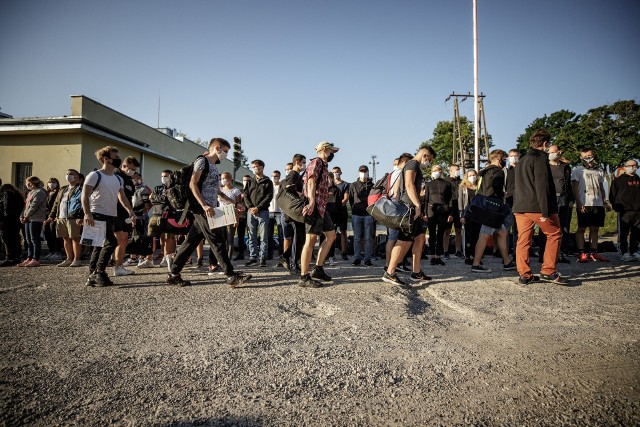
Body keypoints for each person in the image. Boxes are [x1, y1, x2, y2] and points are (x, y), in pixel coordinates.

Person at [166, 138, 251, 287]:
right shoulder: (202, 162)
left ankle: (174, 273)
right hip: (203, 208)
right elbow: (193, 184)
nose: (225, 154)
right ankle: (231, 276)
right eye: (225, 151)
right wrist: (204, 205)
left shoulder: (213, 166)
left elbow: (218, 191)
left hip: (209, 207)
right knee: (217, 240)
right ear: (217, 148)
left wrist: (235, 203)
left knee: (190, 242)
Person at [513, 130, 567, 285]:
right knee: (555, 234)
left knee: (523, 240)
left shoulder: (522, 159)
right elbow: (542, 186)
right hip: (536, 206)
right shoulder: (540, 158)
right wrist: (545, 211)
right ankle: (548, 271)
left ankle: (525, 275)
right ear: (545, 144)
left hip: (520, 206)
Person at [83, 146, 136, 287]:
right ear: (105, 159)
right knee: (111, 242)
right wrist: (87, 213)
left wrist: (130, 210)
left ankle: (92, 275)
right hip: (97, 214)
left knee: (99, 246)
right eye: (115, 157)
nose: (118, 159)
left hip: (111, 215)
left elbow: (122, 197)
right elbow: (85, 195)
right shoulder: (95, 175)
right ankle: (99, 272)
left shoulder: (118, 179)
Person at [382, 146, 435, 287]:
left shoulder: (415, 165)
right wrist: (417, 205)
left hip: (413, 208)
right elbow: (409, 185)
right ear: (424, 154)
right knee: (404, 240)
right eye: (428, 159)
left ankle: (416, 272)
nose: (428, 162)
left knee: (419, 238)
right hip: (409, 207)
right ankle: (390, 272)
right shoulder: (412, 164)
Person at [298, 141, 339, 287]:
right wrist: (311, 202)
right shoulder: (316, 162)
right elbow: (311, 183)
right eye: (331, 151)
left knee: (331, 235)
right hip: (314, 206)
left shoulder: (324, 164)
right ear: (324, 149)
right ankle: (303, 277)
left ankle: (318, 269)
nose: (332, 154)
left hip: (322, 207)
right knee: (310, 240)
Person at [470, 149, 517, 273]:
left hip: (484, 206)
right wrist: (503, 194)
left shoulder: (483, 172)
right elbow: (496, 186)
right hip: (492, 208)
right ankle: (476, 264)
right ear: (498, 158)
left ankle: (507, 262)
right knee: (484, 235)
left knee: (502, 233)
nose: (505, 161)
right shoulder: (498, 172)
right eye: (504, 158)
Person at [571, 148, 610, 262]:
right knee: (582, 228)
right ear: (581, 157)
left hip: (597, 203)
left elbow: (602, 187)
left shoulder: (599, 170)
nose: (588, 157)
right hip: (584, 202)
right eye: (585, 156)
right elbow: (574, 188)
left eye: (590, 155)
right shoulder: (577, 170)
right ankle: (581, 252)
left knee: (595, 228)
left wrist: (604, 201)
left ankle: (594, 252)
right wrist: (578, 203)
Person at [539, 145, 573, 264]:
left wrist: (571, 199)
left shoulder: (565, 167)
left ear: (559, 152)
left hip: (564, 199)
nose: (552, 154)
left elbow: (569, 184)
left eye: (554, 152)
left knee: (563, 227)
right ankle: (543, 254)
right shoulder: (544, 166)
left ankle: (560, 253)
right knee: (546, 227)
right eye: (550, 152)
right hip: (549, 200)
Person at [46, 169, 83, 267]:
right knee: (65, 238)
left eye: (71, 174)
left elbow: (83, 204)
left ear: (77, 177)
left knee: (75, 238)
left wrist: (81, 216)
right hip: (61, 216)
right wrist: (52, 216)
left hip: (73, 217)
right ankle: (69, 258)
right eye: (67, 174)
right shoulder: (63, 189)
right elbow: (56, 203)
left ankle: (77, 259)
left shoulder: (80, 189)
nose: (68, 176)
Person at [279, 154, 307, 273]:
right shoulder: (292, 175)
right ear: (296, 162)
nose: (304, 165)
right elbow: (288, 190)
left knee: (300, 237)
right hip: (293, 212)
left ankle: (285, 257)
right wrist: (299, 194)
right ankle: (293, 264)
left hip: (295, 211)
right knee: (298, 237)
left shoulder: (297, 176)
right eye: (303, 162)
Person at [244, 160, 274, 268]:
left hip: (263, 212)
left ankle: (262, 258)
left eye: (256, 166)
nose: (254, 168)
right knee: (251, 235)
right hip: (251, 212)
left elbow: (269, 196)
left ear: (261, 167)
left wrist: (258, 207)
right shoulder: (250, 181)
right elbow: (246, 195)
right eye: (253, 167)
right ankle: (253, 257)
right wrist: (250, 207)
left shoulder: (268, 181)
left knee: (263, 236)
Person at [113, 156, 140, 275]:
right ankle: (102, 269)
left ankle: (119, 266)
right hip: (115, 213)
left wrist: (131, 213)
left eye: (134, 170)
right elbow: (120, 196)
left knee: (123, 240)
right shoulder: (116, 177)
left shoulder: (129, 180)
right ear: (123, 166)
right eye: (131, 169)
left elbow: (130, 198)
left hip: (125, 214)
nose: (133, 172)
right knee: (115, 241)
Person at [609, 159, 640, 261]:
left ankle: (634, 251)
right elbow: (612, 195)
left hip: (637, 211)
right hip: (624, 211)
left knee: (636, 232)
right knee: (624, 233)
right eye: (630, 166)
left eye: (635, 166)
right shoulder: (618, 180)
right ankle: (624, 252)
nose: (633, 168)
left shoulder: (638, 179)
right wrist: (616, 206)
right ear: (625, 167)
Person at [425, 164, 454, 266]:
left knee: (440, 234)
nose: (437, 171)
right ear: (431, 172)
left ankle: (438, 256)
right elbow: (426, 199)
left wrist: (450, 213)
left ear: (441, 171)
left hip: (444, 210)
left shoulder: (447, 184)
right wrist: (425, 213)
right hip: (431, 211)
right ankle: (432, 256)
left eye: (438, 170)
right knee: (432, 234)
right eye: (434, 170)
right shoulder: (428, 184)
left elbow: (450, 199)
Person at [147, 170, 176, 269]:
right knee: (152, 236)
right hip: (156, 214)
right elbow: (152, 199)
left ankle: (166, 258)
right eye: (162, 176)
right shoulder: (157, 188)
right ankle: (149, 259)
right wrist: (160, 198)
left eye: (166, 176)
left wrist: (157, 198)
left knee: (168, 237)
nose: (164, 178)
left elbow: (169, 201)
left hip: (169, 215)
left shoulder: (174, 188)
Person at [18, 176, 48, 267]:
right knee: (28, 239)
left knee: (34, 239)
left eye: (27, 183)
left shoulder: (40, 192)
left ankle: (36, 258)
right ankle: (29, 257)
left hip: (36, 218)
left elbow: (34, 206)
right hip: (28, 218)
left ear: (31, 183)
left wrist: (26, 216)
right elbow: (26, 205)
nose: (26, 185)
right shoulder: (31, 192)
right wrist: (22, 215)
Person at [349, 165, 375, 266]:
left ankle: (368, 258)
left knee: (368, 238)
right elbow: (351, 199)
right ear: (358, 172)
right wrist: (354, 209)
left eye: (365, 171)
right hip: (356, 215)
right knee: (357, 238)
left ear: (368, 172)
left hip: (368, 215)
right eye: (361, 171)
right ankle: (357, 258)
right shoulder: (353, 185)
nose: (363, 173)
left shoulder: (372, 185)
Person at [218, 171, 243, 261]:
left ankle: (228, 259)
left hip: (231, 216)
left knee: (230, 239)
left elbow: (238, 207)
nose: (223, 180)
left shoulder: (236, 191)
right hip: (220, 215)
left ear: (230, 179)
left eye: (224, 178)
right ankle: (221, 258)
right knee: (221, 239)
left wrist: (237, 219)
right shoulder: (220, 190)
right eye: (221, 178)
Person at [0, 183, 25, 266]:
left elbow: (7, 208)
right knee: (15, 238)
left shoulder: (5, 193)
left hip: (7, 220)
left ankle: (9, 258)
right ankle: (16, 257)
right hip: (15, 219)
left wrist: (4, 217)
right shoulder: (17, 194)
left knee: (7, 239)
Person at [458, 169, 480, 264]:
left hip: (478, 214)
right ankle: (467, 256)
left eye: (474, 175)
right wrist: (462, 215)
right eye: (470, 175)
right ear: (467, 177)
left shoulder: (480, 187)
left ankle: (476, 256)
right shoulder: (463, 187)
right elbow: (460, 202)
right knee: (468, 236)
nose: (472, 177)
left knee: (477, 236)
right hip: (467, 214)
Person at [443, 163, 463, 259]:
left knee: (459, 230)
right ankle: (445, 251)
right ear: (450, 170)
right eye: (456, 169)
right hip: (449, 209)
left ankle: (458, 250)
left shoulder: (461, 182)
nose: (458, 171)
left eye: (458, 169)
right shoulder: (445, 181)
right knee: (447, 230)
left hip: (459, 208)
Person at [331, 166, 350, 260]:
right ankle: (331, 253)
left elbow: (346, 198)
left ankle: (344, 251)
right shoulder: (329, 185)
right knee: (331, 233)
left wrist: (338, 206)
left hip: (342, 211)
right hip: (332, 212)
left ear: (341, 172)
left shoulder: (345, 184)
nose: (336, 173)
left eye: (337, 172)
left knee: (343, 232)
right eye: (334, 172)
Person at [43, 177, 63, 261]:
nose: (51, 184)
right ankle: (51, 251)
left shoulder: (58, 193)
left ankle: (57, 252)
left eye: (54, 182)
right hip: (46, 216)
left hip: (54, 217)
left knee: (54, 234)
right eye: (50, 182)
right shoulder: (47, 193)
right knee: (47, 234)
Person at [504, 149, 520, 257]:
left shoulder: (522, 170)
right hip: (508, 202)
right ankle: (505, 253)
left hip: (520, 202)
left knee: (517, 230)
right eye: (511, 156)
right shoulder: (505, 170)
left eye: (515, 156)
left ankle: (516, 253)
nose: (513, 158)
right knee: (506, 229)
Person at [233, 175, 251, 260]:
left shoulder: (253, 191)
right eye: (244, 180)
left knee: (251, 235)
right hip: (241, 215)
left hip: (251, 215)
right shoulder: (239, 191)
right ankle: (240, 253)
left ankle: (252, 253)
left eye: (248, 180)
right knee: (240, 235)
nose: (246, 182)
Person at [266, 170, 283, 260]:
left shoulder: (281, 186)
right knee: (269, 234)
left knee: (281, 234)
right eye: (273, 176)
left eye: (276, 176)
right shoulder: (269, 186)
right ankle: (269, 254)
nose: (275, 177)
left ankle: (281, 255)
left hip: (279, 212)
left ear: (279, 177)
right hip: (269, 212)